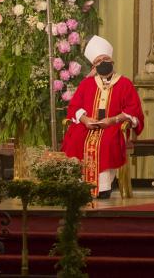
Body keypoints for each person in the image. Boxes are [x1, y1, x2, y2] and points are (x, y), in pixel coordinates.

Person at [61, 36, 145, 198]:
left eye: (106, 59)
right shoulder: (87, 84)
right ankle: (79, 185)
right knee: (76, 138)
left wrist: (113, 120)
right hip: (88, 125)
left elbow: (134, 110)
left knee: (106, 141)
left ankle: (103, 188)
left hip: (112, 125)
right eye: (99, 61)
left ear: (112, 61)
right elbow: (74, 107)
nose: (103, 63)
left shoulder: (125, 83)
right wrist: (85, 120)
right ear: (94, 66)